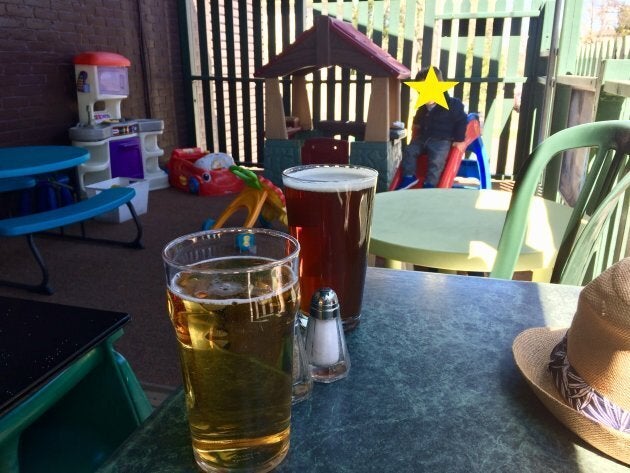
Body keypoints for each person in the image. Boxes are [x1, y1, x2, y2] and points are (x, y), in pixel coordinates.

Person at [396, 66, 468, 190]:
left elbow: (461, 120)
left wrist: (459, 139)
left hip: (442, 140)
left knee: (436, 160)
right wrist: (415, 126)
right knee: (409, 150)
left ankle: (430, 184)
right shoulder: (423, 107)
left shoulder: (453, 104)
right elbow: (417, 119)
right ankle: (409, 177)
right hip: (423, 138)